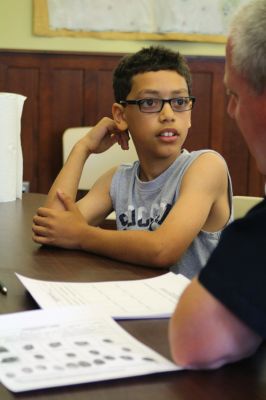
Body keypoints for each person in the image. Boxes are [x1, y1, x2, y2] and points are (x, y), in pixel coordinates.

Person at [32, 46, 232, 279]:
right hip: (137, 306)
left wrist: (81, 235)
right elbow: (51, 229)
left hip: (196, 312)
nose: (168, 114)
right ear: (121, 115)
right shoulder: (118, 179)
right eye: (149, 102)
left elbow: (163, 249)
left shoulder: (206, 166)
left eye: (179, 101)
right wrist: (83, 148)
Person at [169, 0, 266, 369]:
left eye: (234, 96)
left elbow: (194, 339)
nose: (230, 110)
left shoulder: (205, 165)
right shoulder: (120, 175)